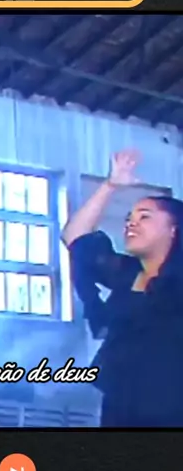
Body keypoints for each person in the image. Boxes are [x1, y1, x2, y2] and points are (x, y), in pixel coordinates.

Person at [61, 149, 183, 427]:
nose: (131, 223)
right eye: (129, 218)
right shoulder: (127, 274)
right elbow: (75, 237)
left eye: (145, 217)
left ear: (174, 229)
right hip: (121, 411)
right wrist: (110, 185)